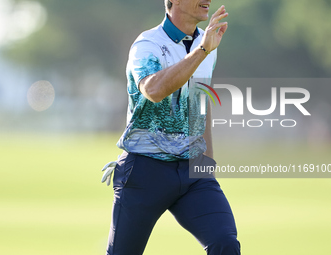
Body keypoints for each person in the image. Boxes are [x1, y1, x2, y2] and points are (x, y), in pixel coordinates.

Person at [101, 0, 240, 254]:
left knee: (225, 242)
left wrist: (206, 163)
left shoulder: (208, 43)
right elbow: (153, 90)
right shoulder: (147, 44)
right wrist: (201, 51)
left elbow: (200, 104)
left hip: (192, 172)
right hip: (144, 170)